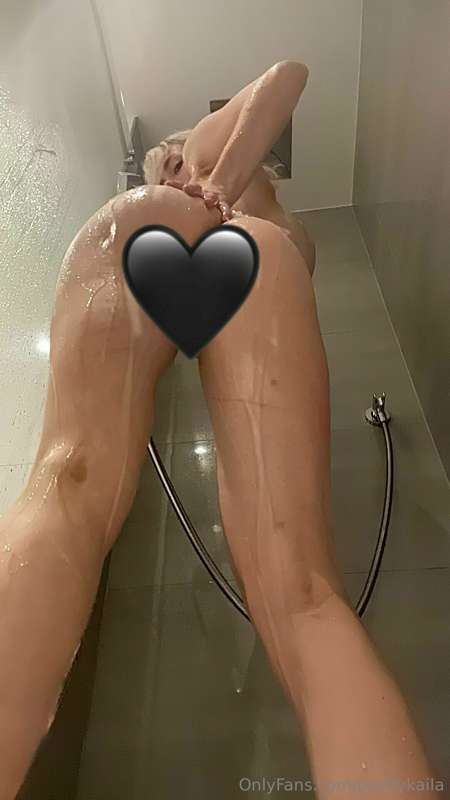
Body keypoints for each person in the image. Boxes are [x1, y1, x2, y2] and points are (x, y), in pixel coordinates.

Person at [0, 62, 441, 798]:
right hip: (243, 250)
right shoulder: (267, 219)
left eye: (170, 159)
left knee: (67, 485)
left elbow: (287, 77)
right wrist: (220, 195)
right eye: (164, 168)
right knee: (301, 592)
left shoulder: (204, 149)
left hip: (158, 234)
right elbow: (290, 78)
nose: (175, 168)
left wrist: (211, 179)